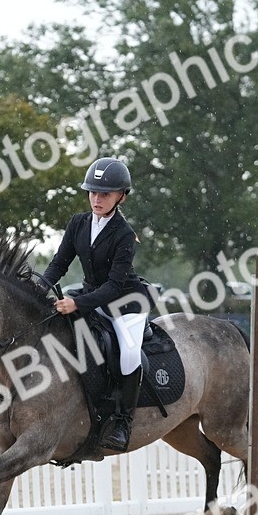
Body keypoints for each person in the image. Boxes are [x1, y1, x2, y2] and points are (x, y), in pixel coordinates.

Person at [42, 156, 152, 452]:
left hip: (126, 301)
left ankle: (122, 420)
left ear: (121, 197)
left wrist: (77, 303)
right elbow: (58, 264)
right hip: (92, 294)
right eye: (92, 192)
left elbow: (115, 286)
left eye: (105, 194)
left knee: (129, 353)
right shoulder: (78, 223)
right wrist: (38, 289)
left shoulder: (124, 234)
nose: (97, 198)